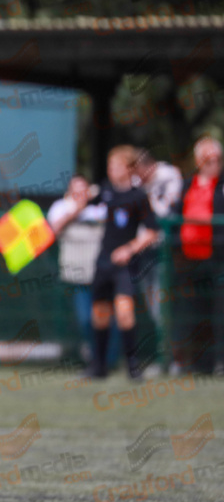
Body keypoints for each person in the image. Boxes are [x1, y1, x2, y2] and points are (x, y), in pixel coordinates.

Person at [61, 145, 158, 380]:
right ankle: (99, 367)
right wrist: (79, 196)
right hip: (102, 262)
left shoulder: (138, 196)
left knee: (125, 312)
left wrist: (129, 249)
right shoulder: (104, 192)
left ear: (129, 168)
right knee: (100, 315)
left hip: (125, 265)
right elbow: (78, 205)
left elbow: (152, 232)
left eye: (117, 165)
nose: (112, 170)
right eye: (110, 166)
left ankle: (133, 367)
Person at [47, 175, 119, 366]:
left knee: (106, 318)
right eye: (75, 189)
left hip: (102, 273)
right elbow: (52, 230)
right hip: (76, 275)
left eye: (83, 189)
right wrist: (77, 211)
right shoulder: (60, 207)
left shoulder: (100, 208)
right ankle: (94, 356)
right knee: (86, 319)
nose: (79, 194)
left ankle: (107, 360)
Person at [170, 137, 224, 374]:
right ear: (198, 161)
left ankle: (219, 361)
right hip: (189, 261)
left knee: (218, 312)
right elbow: (174, 215)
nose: (214, 163)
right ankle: (198, 363)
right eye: (208, 159)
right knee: (192, 312)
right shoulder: (186, 185)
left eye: (218, 159)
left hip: (217, 259)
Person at [132, 149, 182, 355]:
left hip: (163, 251)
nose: (137, 177)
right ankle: (164, 355)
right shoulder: (137, 182)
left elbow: (163, 213)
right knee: (153, 307)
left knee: (165, 307)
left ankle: (174, 358)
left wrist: (144, 197)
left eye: (139, 172)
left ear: (149, 167)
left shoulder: (169, 176)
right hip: (142, 252)